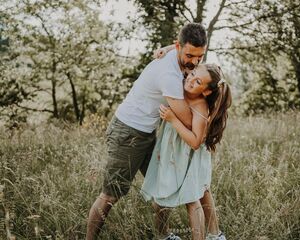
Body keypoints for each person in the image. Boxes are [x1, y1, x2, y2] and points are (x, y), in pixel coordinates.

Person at [86, 23, 207, 240]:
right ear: (179, 46)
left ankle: (163, 236)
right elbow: (187, 120)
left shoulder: (176, 54)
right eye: (190, 55)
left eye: (200, 56)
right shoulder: (168, 75)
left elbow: (183, 51)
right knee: (110, 195)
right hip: (128, 133)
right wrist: (204, 110)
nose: (194, 62)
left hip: (148, 132)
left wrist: (168, 48)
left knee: (162, 188)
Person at [141, 63, 232, 240]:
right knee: (161, 194)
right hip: (171, 154)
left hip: (189, 156)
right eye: (193, 74)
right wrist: (165, 50)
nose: (191, 79)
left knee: (194, 196)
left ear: (206, 91)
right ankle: (162, 235)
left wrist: (173, 119)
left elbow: (195, 142)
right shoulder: (179, 87)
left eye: (198, 81)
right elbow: (178, 57)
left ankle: (209, 236)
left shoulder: (199, 105)